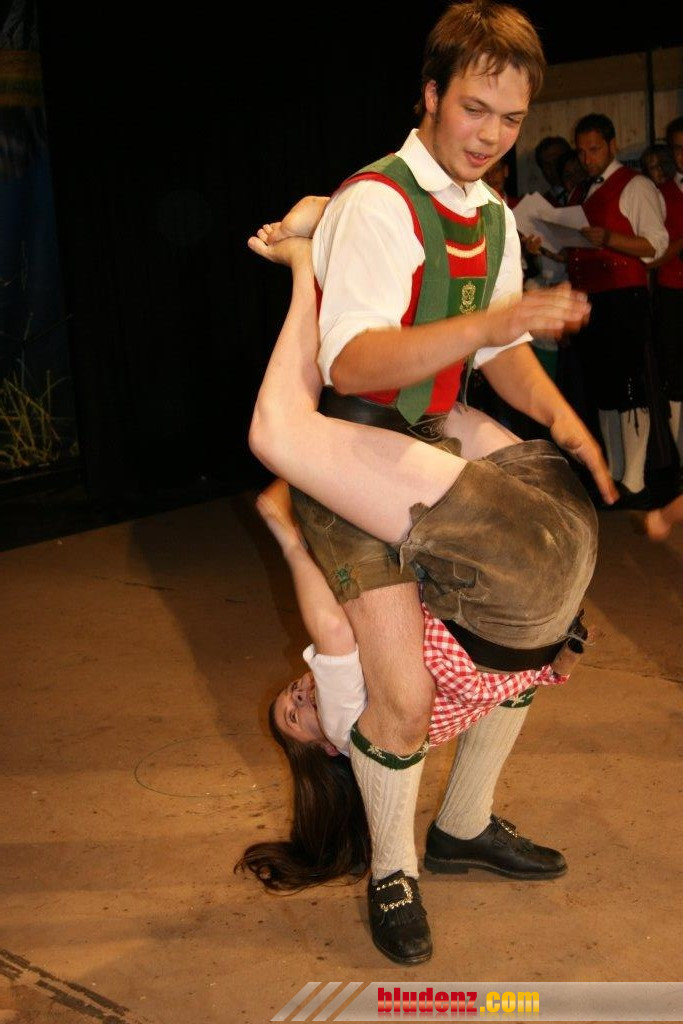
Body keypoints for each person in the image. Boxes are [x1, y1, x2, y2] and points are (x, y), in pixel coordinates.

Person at [247, 0, 615, 966]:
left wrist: (560, 418)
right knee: (402, 698)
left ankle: (464, 824)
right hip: (352, 459)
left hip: (431, 449)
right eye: (473, 109)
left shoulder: (489, 214)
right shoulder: (377, 204)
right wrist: (487, 329)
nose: (490, 135)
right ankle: (392, 868)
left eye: (510, 118)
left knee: (533, 634)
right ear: (429, 96)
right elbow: (356, 363)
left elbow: (500, 355)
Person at [237, 472, 585, 893]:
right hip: (475, 639)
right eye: (293, 717)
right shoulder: (340, 727)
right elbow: (332, 628)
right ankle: (396, 876)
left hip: (499, 658)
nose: (295, 697)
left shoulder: (347, 707)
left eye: (288, 694)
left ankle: (463, 824)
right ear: (326, 750)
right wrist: (290, 543)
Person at [565, 112, 669, 508]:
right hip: (592, 300)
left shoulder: (635, 185)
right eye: (581, 151)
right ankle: (615, 472)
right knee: (604, 389)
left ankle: (636, 479)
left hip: (624, 297)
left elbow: (655, 245)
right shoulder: (581, 191)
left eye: (594, 149)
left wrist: (609, 238)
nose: (587, 158)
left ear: (612, 146)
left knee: (628, 386)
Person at [649, 117, 683, 473]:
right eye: (678, 149)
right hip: (673, 293)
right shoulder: (661, 194)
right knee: (675, 377)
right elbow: (655, 255)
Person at [534, 135, 573, 206]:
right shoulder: (540, 204)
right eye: (547, 165)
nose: (553, 168)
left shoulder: (589, 192)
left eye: (557, 161)